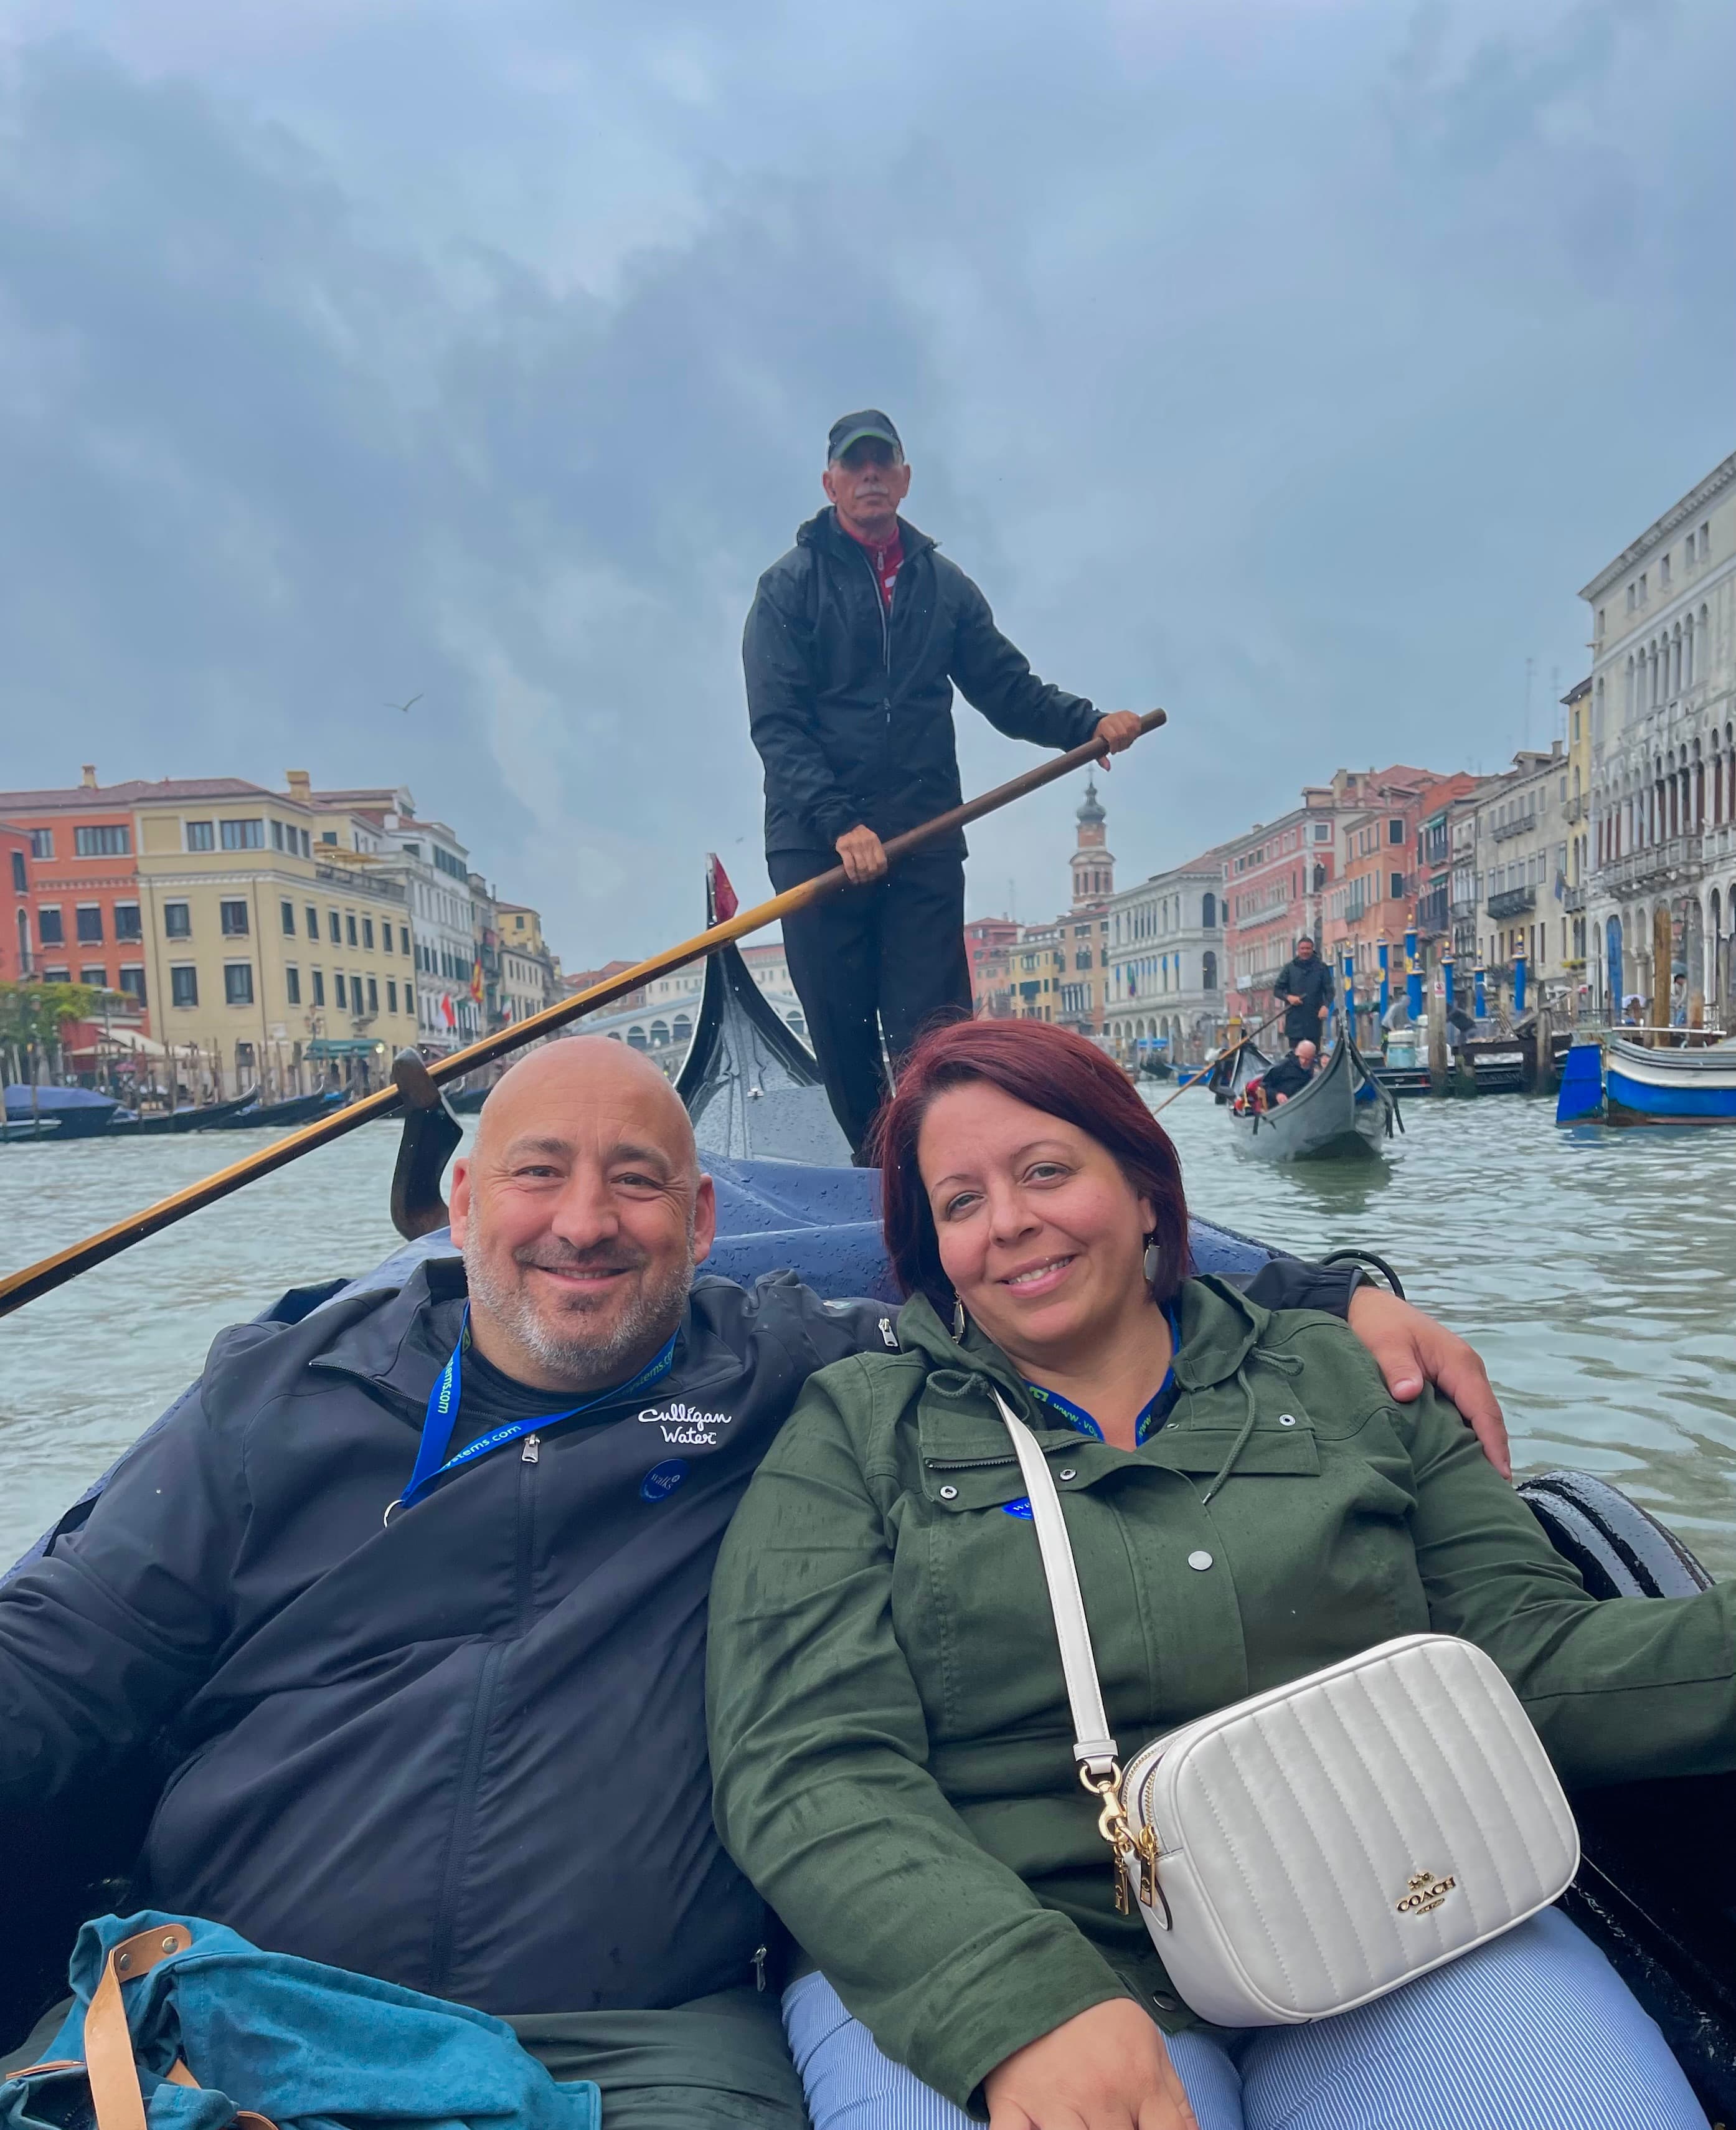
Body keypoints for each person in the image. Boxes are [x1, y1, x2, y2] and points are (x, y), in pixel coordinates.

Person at [0, 1038, 1505, 2123]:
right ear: (458, 1204)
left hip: (642, 2046)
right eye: (539, 1173)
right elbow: (61, 1652)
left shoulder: (793, 1370)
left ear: (703, 1219)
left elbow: (1034, 1281)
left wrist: (1333, 1289)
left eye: (637, 1181)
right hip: (243, 1991)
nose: (585, 1220)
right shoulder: (278, 1393)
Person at [707, 1018, 1730, 2130]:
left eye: (1046, 1171)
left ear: (1145, 1189)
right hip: (1015, 1929)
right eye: (959, 1203)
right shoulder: (854, 1435)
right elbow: (806, 1763)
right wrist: (1006, 2000)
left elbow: (1526, 1662)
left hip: (1386, 1906)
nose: (1008, 1223)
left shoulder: (1343, 1377)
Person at [743, 409, 1144, 1160]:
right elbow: (778, 727)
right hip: (817, 849)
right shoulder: (788, 587)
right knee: (843, 1031)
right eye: (853, 466)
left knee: (939, 1036)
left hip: (922, 836)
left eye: (881, 464)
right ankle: (875, 1179)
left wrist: (1090, 725)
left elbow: (1007, 688)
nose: (868, 477)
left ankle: (950, 1172)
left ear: (903, 478)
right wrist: (838, 824)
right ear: (830, 481)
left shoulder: (943, 585)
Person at [1271, 934, 1333, 1051]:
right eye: (1302, 949)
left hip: (1314, 1020)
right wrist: (1289, 997)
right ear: (1298, 951)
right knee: (1296, 1055)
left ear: (1312, 949)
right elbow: (1277, 990)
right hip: (1295, 1022)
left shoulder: (1321, 968)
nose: (1305, 951)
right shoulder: (1290, 968)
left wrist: (1326, 1006)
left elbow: (1330, 991)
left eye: (1308, 949)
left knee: (1313, 1055)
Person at [1260, 1038, 1316, 1102]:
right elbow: (1264, 1084)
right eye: (1302, 1057)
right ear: (1297, 1054)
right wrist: (1276, 1095)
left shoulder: (1313, 1070)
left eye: (1308, 1059)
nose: (1304, 1061)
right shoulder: (1283, 1065)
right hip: (1282, 1106)